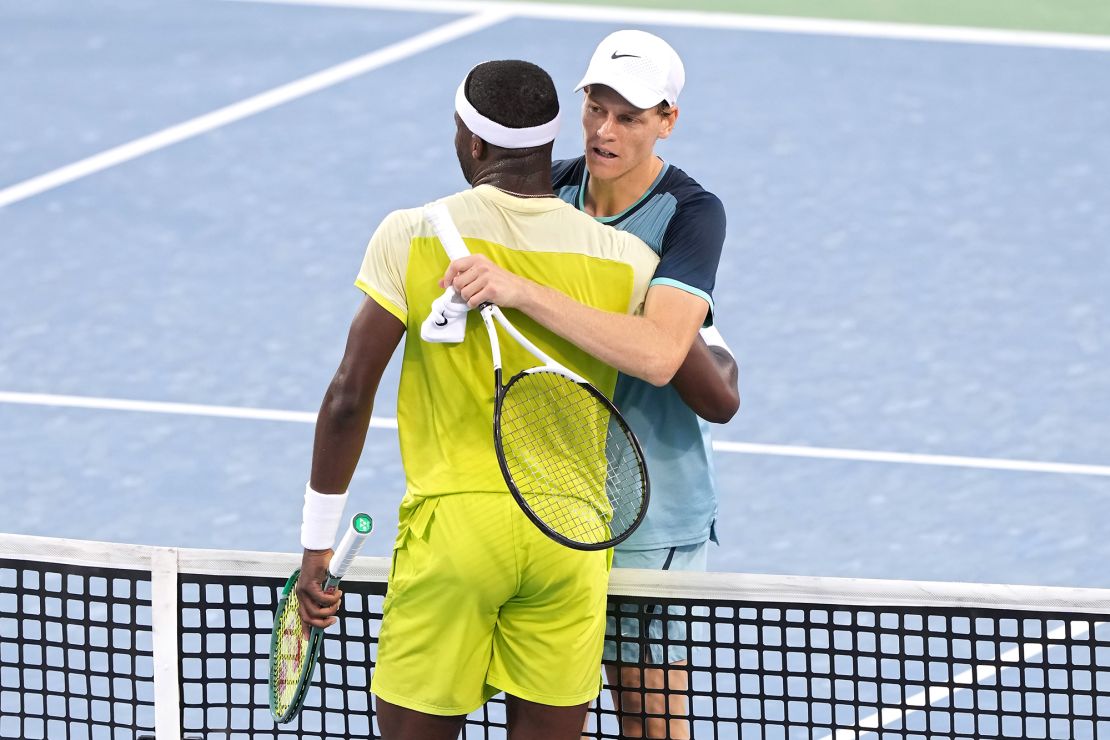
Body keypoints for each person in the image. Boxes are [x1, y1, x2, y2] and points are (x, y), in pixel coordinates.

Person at [293, 60, 660, 740]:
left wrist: (318, 547)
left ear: (474, 143)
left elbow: (349, 396)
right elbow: (703, 379)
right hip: (570, 541)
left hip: (457, 536)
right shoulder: (629, 259)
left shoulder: (414, 232)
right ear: (553, 143)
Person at [442, 31, 738, 739]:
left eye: (629, 117)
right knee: (540, 706)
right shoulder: (548, 189)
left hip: (650, 510)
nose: (605, 131)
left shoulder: (691, 214)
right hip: (548, 500)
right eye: (595, 108)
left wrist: (526, 289)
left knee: (648, 721)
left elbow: (665, 359)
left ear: (667, 119)